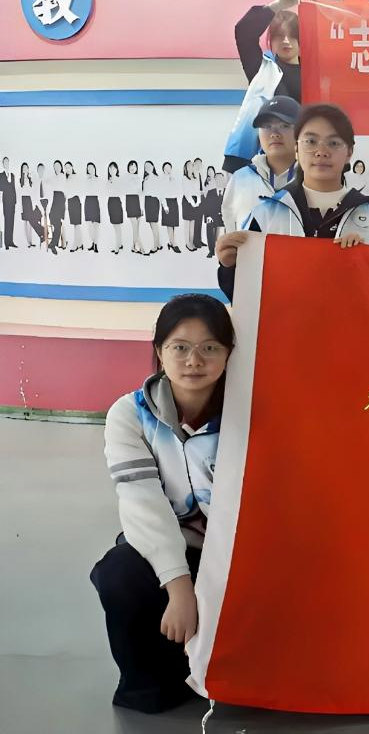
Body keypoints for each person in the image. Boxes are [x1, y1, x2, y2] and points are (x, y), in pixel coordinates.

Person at [90, 294, 235, 713]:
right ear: (159, 350)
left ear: (229, 353)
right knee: (120, 574)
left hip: (239, 550)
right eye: (180, 347)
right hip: (175, 545)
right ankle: (151, 686)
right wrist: (179, 585)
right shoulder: (130, 414)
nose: (194, 360)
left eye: (210, 347)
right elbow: (142, 500)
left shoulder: (249, 412)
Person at [216, 104, 369, 300]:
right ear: (296, 149)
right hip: (285, 320)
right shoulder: (265, 215)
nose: (321, 151)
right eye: (310, 141)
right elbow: (244, 296)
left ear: (349, 152)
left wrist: (367, 262)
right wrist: (229, 266)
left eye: (333, 143)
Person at [228, 0, 301, 172]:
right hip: (260, 162)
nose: (286, 41)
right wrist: (277, 6)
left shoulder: (316, 74)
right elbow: (244, 32)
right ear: (271, 40)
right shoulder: (262, 69)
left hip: (304, 162)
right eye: (279, 36)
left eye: (293, 35)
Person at [221, 96, 300, 232]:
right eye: (266, 126)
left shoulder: (314, 179)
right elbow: (230, 229)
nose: (274, 134)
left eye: (285, 125)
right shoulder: (240, 179)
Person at [141, 161, 161, 255]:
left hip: (154, 201)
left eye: (149, 166)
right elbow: (144, 192)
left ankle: (155, 246)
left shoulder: (156, 178)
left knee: (154, 224)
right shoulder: (145, 179)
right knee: (151, 224)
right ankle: (158, 244)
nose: (147, 168)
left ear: (153, 166)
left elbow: (159, 192)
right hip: (147, 201)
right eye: (146, 167)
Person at [82, 162, 103, 253]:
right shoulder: (85, 180)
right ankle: (93, 243)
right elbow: (83, 190)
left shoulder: (98, 180)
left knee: (96, 226)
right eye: (88, 168)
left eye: (91, 167)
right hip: (87, 201)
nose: (90, 169)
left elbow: (100, 191)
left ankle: (96, 245)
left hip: (95, 201)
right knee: (89, 226)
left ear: (95, 168)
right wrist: (87, 180)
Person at [64, 161, 84, 252]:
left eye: (68, 167)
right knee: (75, 225)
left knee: (77, 224)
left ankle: (75, 244)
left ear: (72, 167)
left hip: (76, 200)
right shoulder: (66, 178)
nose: (67, 169)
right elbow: (65, 192)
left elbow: (79, 189)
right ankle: (80, 244)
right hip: (70, 201)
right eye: (66, 168)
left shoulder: (76, 177)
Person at [20, 163, 41, 248]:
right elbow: (20, 192)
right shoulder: (20, 180)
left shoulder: (30, 179)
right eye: (23, 168)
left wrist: (30, 175)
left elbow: (33, 191)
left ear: (28, 169)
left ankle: (30, 241)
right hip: (23, 200)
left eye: (26, 168)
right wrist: (20, 207)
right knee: (25, 221)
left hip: (29, 200)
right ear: (22, 170)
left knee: (30, 222)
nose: (25, 169)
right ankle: (27, 242)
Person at [106, 163, 125, 254]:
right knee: (115, 226)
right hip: (110, 202)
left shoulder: (118, 180)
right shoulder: (108, 180)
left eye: (113, 168)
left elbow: (119, 192)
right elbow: (106, 192)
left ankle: (117, 247)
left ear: (117, 169)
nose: (111, 170)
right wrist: (110, 182)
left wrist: (113, 181)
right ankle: (120, 244)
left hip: (116, 202)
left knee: (117, 226)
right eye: (110, 168)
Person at [0, 156, 16, 249]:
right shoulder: (1, 175)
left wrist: (15, 201)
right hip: (6, 201)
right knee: (7, 221)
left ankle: (11, 241)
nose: (6, 163)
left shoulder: (12, 175)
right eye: (5, 162)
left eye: (7, 162)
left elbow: (14, 189)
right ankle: (6, 243)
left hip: (12, 202)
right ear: (3, 164)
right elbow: (1, 187)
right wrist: (8, 182)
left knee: (12, 221)